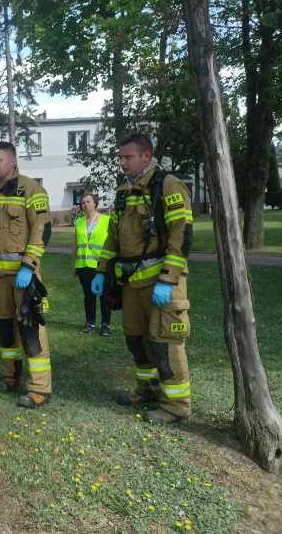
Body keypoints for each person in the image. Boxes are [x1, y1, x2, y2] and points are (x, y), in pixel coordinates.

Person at [91, 134, 194, 424]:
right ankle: (147, 390)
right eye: (120, 157)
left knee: (165, 342)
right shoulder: (124, 191)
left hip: (161, 283)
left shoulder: (168, 185)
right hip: (132, 283)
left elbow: (181, 235)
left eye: (128, 157)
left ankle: (177, 405)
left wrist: (168, 278)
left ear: (146, 156)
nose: (122, 162)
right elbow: (113, 236)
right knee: (136, 339)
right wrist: (101, 270)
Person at [0, 141, 53, 409]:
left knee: (30, 330)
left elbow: (42, 229)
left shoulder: (32, 190)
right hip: (0, 279)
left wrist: (29, 266)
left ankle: (40, 388)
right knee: (4, 330)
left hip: (24, 276)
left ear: (13, 161)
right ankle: (10, 375)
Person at [74, 193, 112, 336]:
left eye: (88, 201)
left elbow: (111, 244)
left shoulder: (107, 221)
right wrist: (74, 266)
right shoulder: (78, 222)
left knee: (104, 295)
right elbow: (75, 245)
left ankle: (105, 325)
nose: (85, 204)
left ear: (95, 203)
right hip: (83, 265)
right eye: (82, 202)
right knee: (88, 296)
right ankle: (90, 323)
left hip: (101, 265)